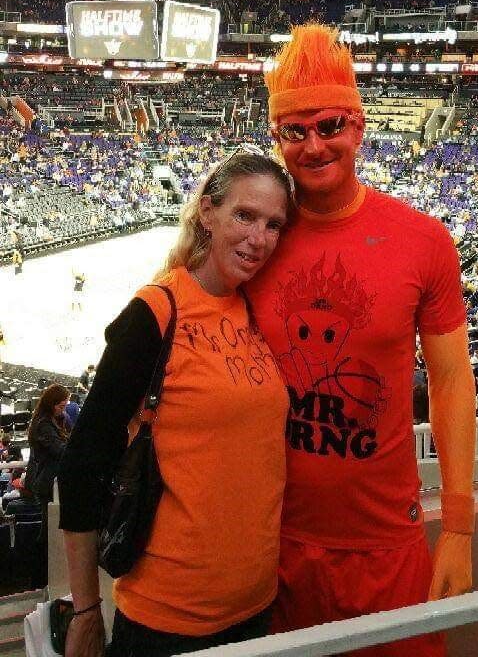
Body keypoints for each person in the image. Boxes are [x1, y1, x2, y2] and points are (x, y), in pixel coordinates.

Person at [247, 24, 477, 657]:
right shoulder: (256, 240)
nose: (314, 146)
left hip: (387, 546)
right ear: (278, 139)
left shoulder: (423, 240)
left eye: (329, 126)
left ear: (359, 126)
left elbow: (454, 379)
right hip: (271, 545)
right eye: (295, 131)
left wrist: (458, 525)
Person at [59, 151, 291, 657]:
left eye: (273, 224)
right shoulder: (155, 311)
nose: (259, 239)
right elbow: (83, 463)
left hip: (256, 607)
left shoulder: (257, 307)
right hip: (167, 620)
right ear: (208, 212)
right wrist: (84, 609)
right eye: (244, 215)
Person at [28, 384, 70, 585]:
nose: (64, 409)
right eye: (61, 406)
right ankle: (40, 578)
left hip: (53, 482)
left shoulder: (56, 420)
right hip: (47, 484)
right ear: (51, 404)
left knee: (50, 532)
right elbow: (60, 450)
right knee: (47, 534)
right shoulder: (43, 424)